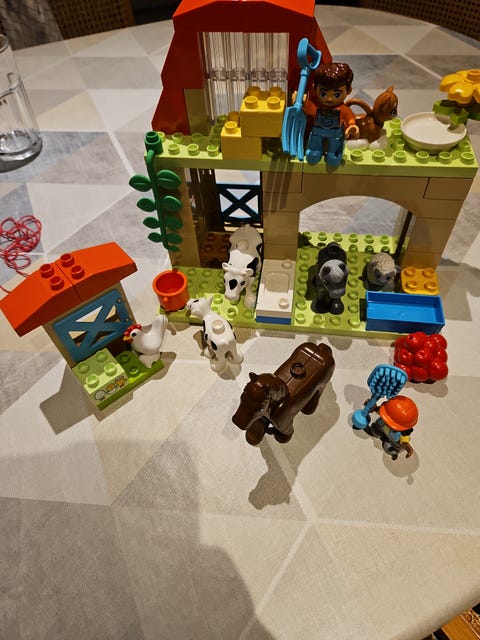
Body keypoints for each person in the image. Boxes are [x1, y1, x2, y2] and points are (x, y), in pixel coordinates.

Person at [302, 62, 359, 167]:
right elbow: (310, 108)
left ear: (348, 91)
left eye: (336, 95)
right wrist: (302, 101)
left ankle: (334, 153)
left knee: (334, 155)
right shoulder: (317, 106)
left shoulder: (343, 109)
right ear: (315, 89)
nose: (329, 99)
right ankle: (315, 150)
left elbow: (350, 118)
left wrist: (352, 126)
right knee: (313, 152)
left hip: (335, 135)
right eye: (323, 93)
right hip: (317, 132)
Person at [367, 395, 418, 460]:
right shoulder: (388, 413)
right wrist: (372, 407)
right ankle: (378, 434)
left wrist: (407, 448)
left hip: (392, 442)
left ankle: (394, 453)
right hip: (380, 428)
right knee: (374, 430)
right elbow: (378, 410)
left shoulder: (404, 434)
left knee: (388, 447)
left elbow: (405, 443)